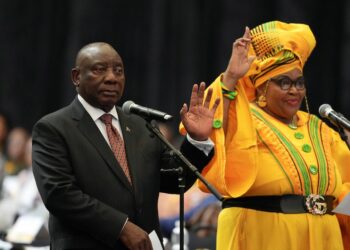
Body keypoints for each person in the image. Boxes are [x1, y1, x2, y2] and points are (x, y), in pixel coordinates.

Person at [32, 42, 220, 250]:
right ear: (76, 77)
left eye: (118, 71)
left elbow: (176, 180)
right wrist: (121, 228)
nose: (112, 77)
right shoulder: (54, 128)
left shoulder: (140, 125)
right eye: (99, 69)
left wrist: (196, 140)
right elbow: (59, 194)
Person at [180, 21, 350, 249]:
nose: (294, 90)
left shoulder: (319, 128)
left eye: (299, 83)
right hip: (262, 236)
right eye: (284, 82)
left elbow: (344, 190)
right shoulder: (245, 118)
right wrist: (230, 78)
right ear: (261, 87)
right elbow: (215, 134)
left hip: (325, 239)